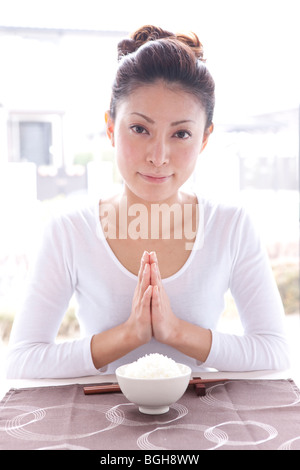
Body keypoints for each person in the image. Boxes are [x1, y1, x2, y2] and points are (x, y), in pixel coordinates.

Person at [6, 25, 290, 379]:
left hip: (204, 422)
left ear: (204, 139)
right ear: (111, 128)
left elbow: (274, 350)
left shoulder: (230, 225)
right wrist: (128, 335)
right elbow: (22, 358)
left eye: (181, 134)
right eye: (140, 129)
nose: (158, 156)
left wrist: (176, 332)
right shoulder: (69, 230)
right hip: (100, 421)